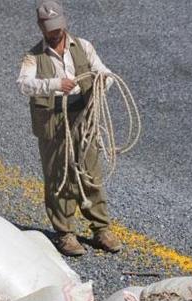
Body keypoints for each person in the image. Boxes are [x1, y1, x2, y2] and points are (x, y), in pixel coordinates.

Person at [17, 0, 123, 256]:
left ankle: (101, 229)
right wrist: (55, 84)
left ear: (64, 23)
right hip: (53, 120)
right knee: (58, 176)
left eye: (58, 27)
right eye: (50, 29)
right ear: (41, 27)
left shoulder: (83, 46)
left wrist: (100, 82)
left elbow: (104, 73)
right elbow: (24, 84)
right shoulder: (33, 56)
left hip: (82, 117)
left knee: (90, 174)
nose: (56, 33)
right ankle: (65, 233)